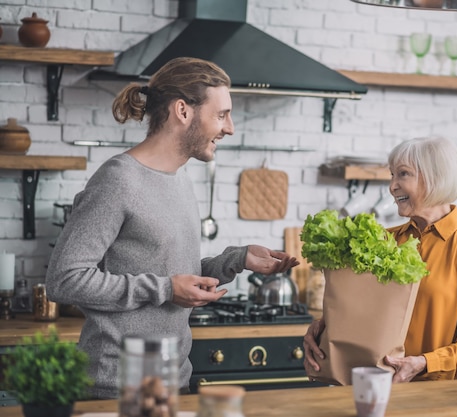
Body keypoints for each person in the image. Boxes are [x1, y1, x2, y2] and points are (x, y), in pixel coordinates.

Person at [45, 57, 299, 399]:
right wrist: (164, 289)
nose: (230, 128)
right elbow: (63, 280)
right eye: (221, 114)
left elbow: (173, 274)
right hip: (116, 385)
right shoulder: (118, 181)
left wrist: (237, 260)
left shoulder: (180, 180)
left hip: (170, 375)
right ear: (183, 111)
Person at [303, 136, 457, 382]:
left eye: (403, 174)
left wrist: (424, 363)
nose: (392, 186)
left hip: (432, 398)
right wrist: (324, 327)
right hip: (374, 386)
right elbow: (363, 314)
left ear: (435, 177)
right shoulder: (385, 240)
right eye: (392, 175)